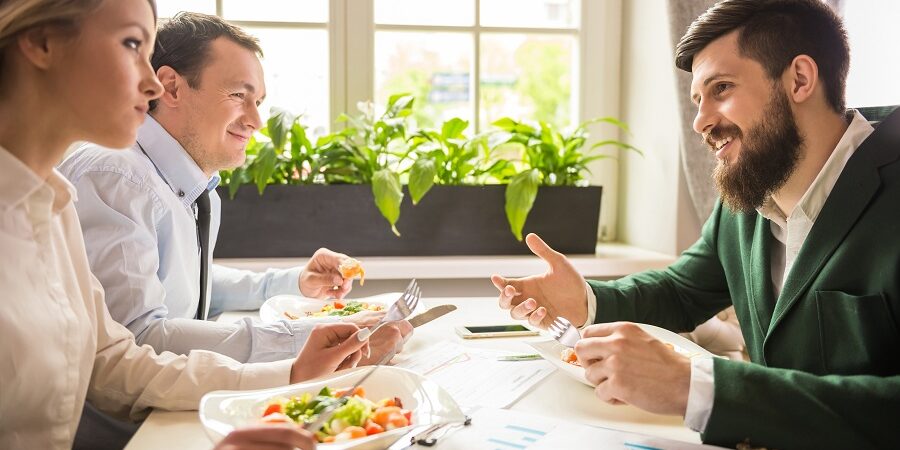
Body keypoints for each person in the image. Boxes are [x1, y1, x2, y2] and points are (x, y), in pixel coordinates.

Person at [491, 0, 900, 448]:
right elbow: (680, 291)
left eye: (721, 88)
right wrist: (586, 301)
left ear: (800, 79)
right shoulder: (748, 193)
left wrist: (699, 387)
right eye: (697, 100)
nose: (701, 121)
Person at [0, 0, 366, 448]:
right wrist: (288, 346)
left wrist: (290, 368)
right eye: (133, 44)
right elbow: (141, 336)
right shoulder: (111, 173)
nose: (151, 80)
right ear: (42, 43)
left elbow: (111, 356)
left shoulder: (52, 203)